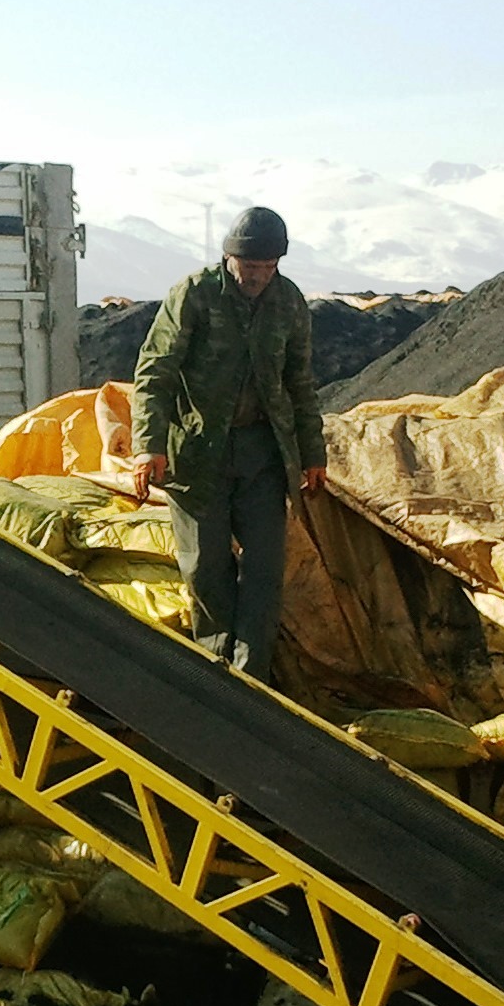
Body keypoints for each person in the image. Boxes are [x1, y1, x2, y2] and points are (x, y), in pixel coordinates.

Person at [128, 207, 327, 681]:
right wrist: (148, 446)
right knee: (206, 569)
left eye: (268, 266)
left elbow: (300, 383)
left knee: (264, 571)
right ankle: (216, 674)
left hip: (263, 456)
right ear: (228, 258)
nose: (258, 276)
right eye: (249, 266)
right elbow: (155, 373)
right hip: (198, 455)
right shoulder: (194, 295)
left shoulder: (288, 302)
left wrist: (313, 454)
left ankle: (252, 679)